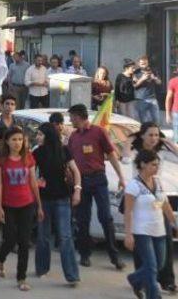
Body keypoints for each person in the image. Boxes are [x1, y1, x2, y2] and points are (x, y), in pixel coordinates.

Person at [67, 104, 126, 269]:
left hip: (98, 179)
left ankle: (114, 256)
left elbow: (112, 154)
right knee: (82, 219)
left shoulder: (99, 132)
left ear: (78, 116)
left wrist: (121, 177)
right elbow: (69, 161)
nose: (70, 120)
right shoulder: (73, 137)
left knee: (105, 217)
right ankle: (85, 254)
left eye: (71, 117)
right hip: (81, 182)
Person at [129, 122, 178, 293]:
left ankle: (167, 280)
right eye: (150, 135)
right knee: (141, 246)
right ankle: (142, 279)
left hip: (157, 201)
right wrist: (129, 143)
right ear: (142, 135)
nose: (154, 138)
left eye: (157, 135)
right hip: (139, 203)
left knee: (165, 245)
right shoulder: (136, 153)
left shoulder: (161, 153)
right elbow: (125, 158)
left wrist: (169, 143)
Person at [0, 126, 43, 291]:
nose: (17, 143)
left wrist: (39, 206)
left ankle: (21, 277)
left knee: (23, 241)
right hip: (8, 205)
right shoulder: (0, 159)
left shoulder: (28, 158)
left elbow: (33, 183)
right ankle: (0, 258)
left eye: (20, 139)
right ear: (7, 141)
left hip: (27, 204)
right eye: (14, 139)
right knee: (9, 238)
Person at [33, 122, 81, 286]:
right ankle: (41, 269)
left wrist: (77, 190)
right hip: (43, 199)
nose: (37, 137)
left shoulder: (64, 150)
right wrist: (36, 183)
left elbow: (76, 171)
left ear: (48, 135)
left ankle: (72, 275)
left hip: (62, 199)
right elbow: (31, 176)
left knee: (66, 237)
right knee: (43, 236)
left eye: (40, 134)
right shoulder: (37, 153)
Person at [134, 55, 162, 124]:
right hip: (141, 99)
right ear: (138, 64)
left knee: (156, 120)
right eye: (142, 64)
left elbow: (159, 82)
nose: (144, 65)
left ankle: (156, 133)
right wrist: (142, 79)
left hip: (152, 98)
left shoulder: (153, 71)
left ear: (148, 63)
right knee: (143, 121)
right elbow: (134, 85)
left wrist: (154, 78)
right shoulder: (136, 73)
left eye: (145, 63)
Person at [166, 68, 178, 142]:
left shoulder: (173, 81)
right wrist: (167, 114)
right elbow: (168, 98)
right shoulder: (173, 81)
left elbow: (168, 98)